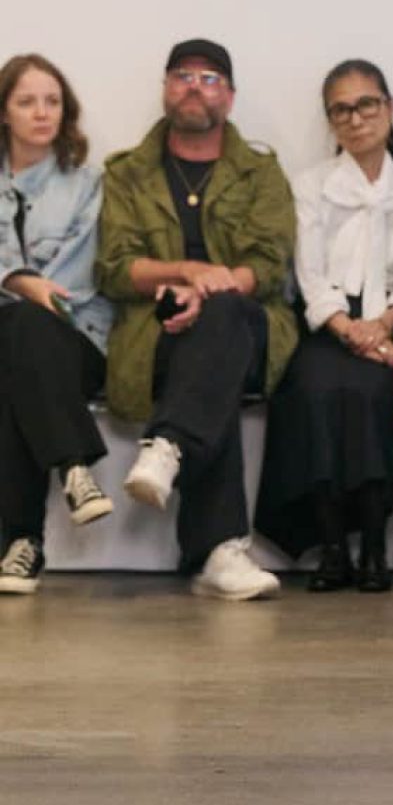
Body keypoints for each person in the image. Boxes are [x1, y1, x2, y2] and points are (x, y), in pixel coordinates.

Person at [96, 38, 297, 601]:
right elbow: (114, 267)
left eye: (209, 78)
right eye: (182, 74)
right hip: (156, 325)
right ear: (165, 88)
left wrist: (214, 287)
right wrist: (184, 273)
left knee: (225, 315)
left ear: (229, 98)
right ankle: (220, 551)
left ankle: (169, 446)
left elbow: (269, 265)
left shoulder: (259, 171)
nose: (193, 85)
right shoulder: (127, 174)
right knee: (212, 363)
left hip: (249, 319)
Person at [254, 60, 393, 592]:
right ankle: (330, 548)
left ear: (388, 108)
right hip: (330, 323)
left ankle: (372, 547)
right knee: (315, 390)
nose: (355, 118)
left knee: (369, 392)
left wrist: (386, 322)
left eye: (366, 104)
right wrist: (348, 329)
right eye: (341, 109)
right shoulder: (312, 185)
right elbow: (311, 272)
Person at [0, 54, 114, 595]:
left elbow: (74, 281)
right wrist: (22, 282)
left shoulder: (87, 183)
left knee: (24, 330)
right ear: (4, 112)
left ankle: (21, 542)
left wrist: (19, 286)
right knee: (15, 352)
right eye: (26, 102)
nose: (42, 113)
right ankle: (73, 470)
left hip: (75, 339)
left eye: (52, 101)